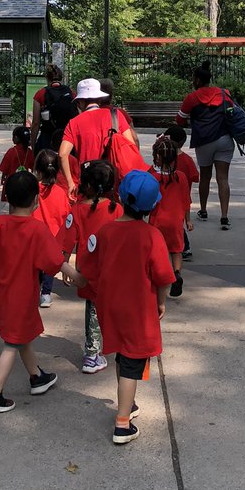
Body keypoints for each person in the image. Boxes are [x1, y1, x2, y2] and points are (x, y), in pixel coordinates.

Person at [63, 170, 174, 446]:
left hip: (110, 307)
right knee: (132, 364)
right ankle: (122, 424)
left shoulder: (106, 232)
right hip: (138, 309)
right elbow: (164, 277)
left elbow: (89, 266)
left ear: (121, 197)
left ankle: (129, 402)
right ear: (151, 206)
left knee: (122, 357)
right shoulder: (152, 236)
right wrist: (161, 302)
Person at [0, 170, 78, 414]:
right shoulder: (37, 229)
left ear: (7, 197)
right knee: (12, 343)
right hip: (22, 297)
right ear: (35, 200)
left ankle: (37, 376)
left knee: (21, 336)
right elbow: (56, 261)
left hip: (2, 294)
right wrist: (81, 278)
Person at [67, 159, 122, 374]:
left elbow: (67, 240)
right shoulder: (117, 209)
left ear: (88, 185)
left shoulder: (77, 209)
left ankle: (92, 354)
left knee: (93, 309)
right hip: (114, 269)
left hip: (89, 270)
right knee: (113, 307)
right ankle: (117, 344)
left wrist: (66, 266)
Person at [175, 62, 235, 230]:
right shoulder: (224, 94)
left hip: (204, 141)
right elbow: (231, 112)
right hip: (224, 139)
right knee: (223, 178)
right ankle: (224, 217)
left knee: (205, 176)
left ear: (198, 80)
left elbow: (179, 120)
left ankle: (203, 210)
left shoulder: (192, 98)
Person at [58, 77, 139, 198]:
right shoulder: (116, 115)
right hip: (113, 181)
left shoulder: (73, 123)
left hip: (88, 184)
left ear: (80, 101)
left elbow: (62, 154)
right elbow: (130, 144)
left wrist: (70, 183)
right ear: (100, 98)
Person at [148, 135, 193, 300]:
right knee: (176, 251)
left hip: (157, 220)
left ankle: (158, 277)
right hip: (176, 221)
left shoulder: (153, 176)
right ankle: (177, 273)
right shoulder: (181, 177)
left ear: (157, 157)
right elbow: (186, 200)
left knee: (156, 251)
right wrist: (188, 220)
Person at [31, 149, 73, 308]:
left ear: (37, 169)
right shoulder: (61, 193)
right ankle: (46, 294)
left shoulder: (32, 189)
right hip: (54, 238)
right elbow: (66, 217)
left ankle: (33, 291)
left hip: (34, 236)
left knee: (34, 266)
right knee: (49, 266)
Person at [165, 124, 198, 261]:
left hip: (166, 197)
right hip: (182, 198)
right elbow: (195, 177)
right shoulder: (187, 160)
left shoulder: (165, 159)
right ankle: (183, 247)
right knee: (178, 223)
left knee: (172, 224)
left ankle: (184, 247)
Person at [29, 64, 77, 154]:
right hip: (67, 137)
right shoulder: (71, 93)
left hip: (47, 137)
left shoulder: (40, 94)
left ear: (47, 78)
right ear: (61, 78)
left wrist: (33, 144)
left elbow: (36, 123)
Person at [0, 125, 34, 202]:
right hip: (24, 181)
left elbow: (5, 168)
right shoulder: (29, 152)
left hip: (12, 181)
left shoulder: (12, 151)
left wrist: (3, 177)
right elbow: (33, 166)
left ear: (16, 138)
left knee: (12, 201)